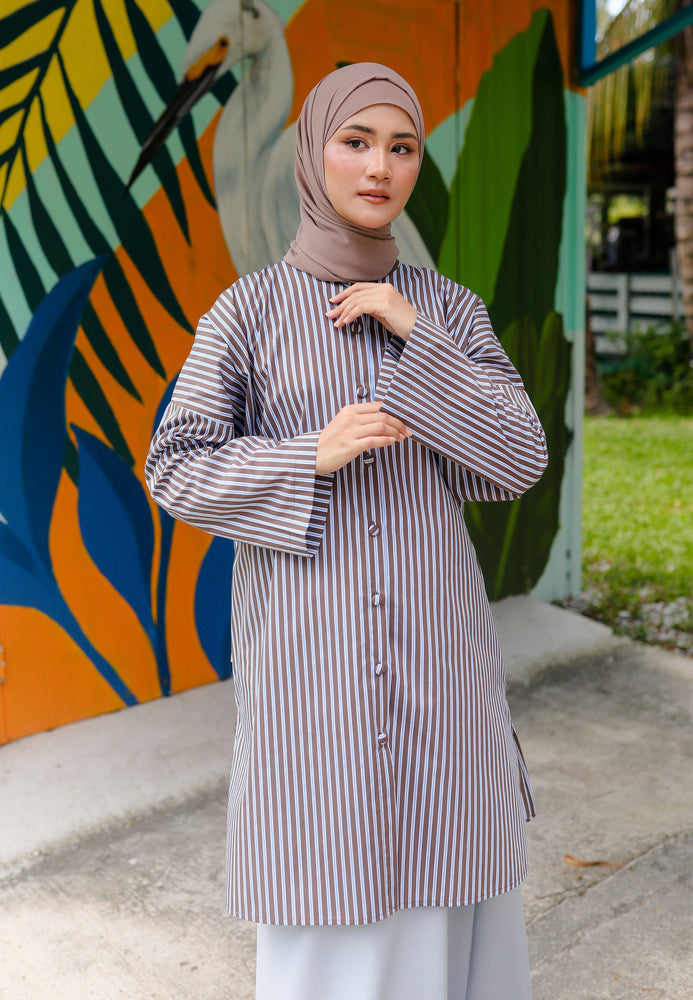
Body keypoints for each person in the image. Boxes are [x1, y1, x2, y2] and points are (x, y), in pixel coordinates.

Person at [146, 62, 547, 1000]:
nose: (379, 167)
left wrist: (418, 336)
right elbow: (175, 467)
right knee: (326, 875)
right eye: (355, 141)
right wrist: (306, 457)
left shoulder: (449, 310)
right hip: (310, 664)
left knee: (448, 861)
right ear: (311, 152)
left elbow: (519, 456)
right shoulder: (246, 313)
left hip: (436, 659)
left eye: (401, 147)